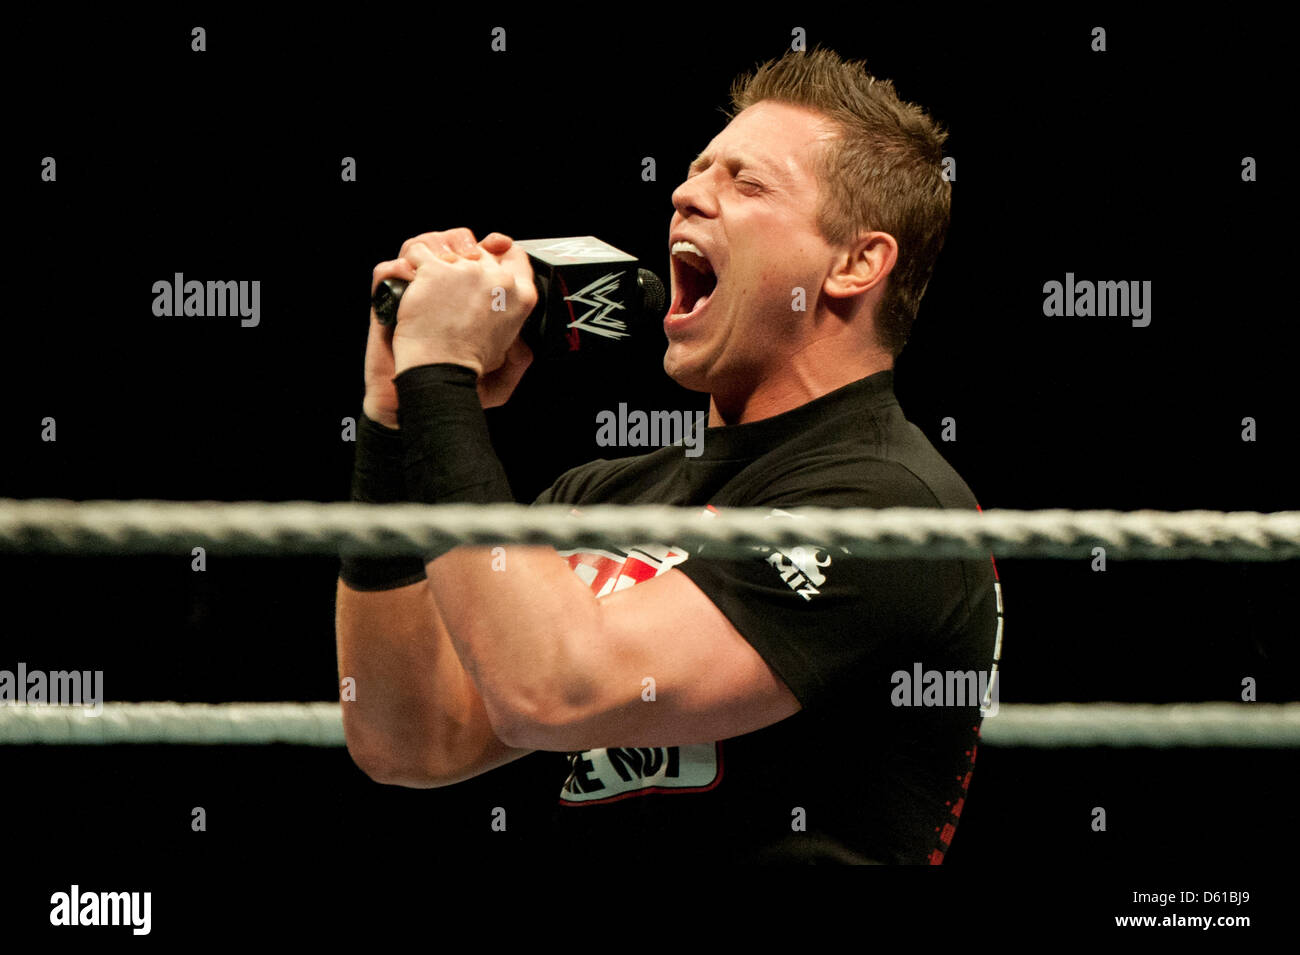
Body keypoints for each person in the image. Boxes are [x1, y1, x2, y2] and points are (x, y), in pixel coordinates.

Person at [335, 46, 1001, 864]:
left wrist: (441, 378)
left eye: (745, 183)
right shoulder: (602, 492)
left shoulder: (894, 513)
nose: (686, 194)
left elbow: (556, 688)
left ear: (856, 263)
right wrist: (396, 418)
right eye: (697, 170)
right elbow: (410, 738)